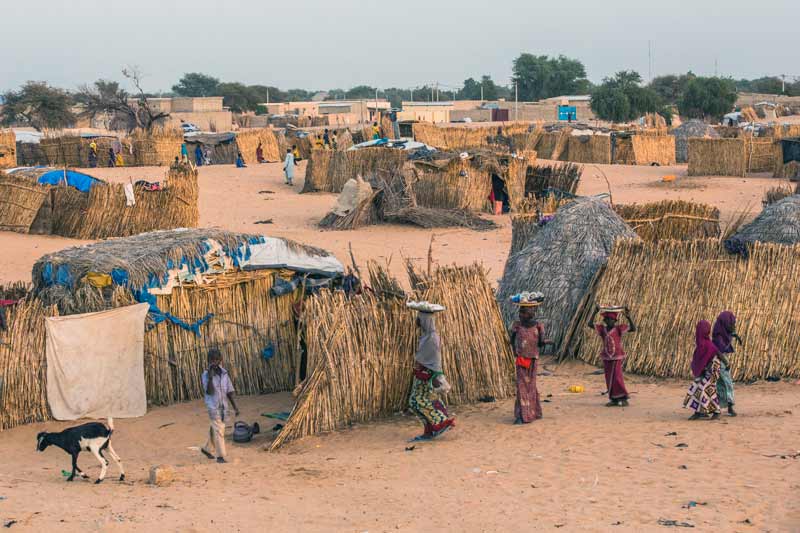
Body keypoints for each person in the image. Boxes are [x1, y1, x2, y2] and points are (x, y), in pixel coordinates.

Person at [408, 307, 455, 441]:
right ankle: (430, 429)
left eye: (420, 319)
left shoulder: (431, 338)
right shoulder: (427, 336)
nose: (417, 321)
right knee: (416, 401)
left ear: (426, 321)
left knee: (417, 401)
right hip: (422, 374)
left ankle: (440, 421)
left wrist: (431, 372)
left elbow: (431, 359)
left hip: (427, 376)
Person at [510, 292, 549, 424]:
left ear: (532, 312)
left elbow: (541, 343)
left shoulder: (539, 326)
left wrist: (546, 342)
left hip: (533, 359)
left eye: (524, 312)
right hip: (521, 359)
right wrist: (515, 352)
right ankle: (521, 416)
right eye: (520, 311)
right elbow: (512, 340)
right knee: (521, 386)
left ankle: (534, 412)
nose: (520, 314)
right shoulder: (517, 325)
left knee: (531, 386)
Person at [588, 305, 636, 407]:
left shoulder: (619, 329)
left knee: (617, 377)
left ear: (615, 321)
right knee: (609, 378)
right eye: (607, 319)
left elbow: (633, 329)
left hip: (616, 356)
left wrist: (628, 317)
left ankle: (623, 398)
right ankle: (613, 399)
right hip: (607, 357)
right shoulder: (602, 329)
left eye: (611, 319)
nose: (609, 321)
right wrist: (594, 312)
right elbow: (589, 324)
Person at [200, 348, 239, 463]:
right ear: (208, 361)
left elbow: (229, 392)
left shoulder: (224, 373)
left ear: (220, 360)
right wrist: (211, 378)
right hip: (213, 407)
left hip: (224, 406)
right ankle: (220, 456)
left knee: (215, 428)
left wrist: (235, 407)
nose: (214, 362)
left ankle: (207, 449)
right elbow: (209, 392)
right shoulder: (206, 375)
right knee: (219, 429)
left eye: (216, 360)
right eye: (211, 360)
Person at [684, 320, 722, 421]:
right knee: (695, 388)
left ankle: (717, 411)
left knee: (705, 389)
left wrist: (727, 364)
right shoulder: (700, 344)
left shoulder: (709, 345)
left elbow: (719, 355)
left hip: (713, 371)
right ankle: (699, 411)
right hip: (704, 371)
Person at [712, 311, 741, 417]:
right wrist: (725, 362)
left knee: (724, 384)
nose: (733, 326)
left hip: (723, 362)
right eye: (731, 324)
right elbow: (718, 351)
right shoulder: (718, 336)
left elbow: (729, 332)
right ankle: (721, 408)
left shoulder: (722, 331)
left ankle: (727, 407)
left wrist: (734, 335)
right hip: (719, 362)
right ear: (725, 323)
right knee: (723, 384)